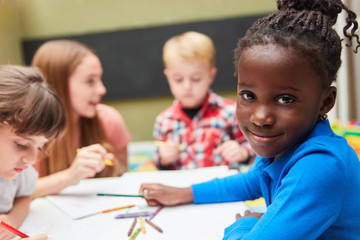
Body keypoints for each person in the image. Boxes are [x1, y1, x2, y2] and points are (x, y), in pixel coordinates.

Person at [139, 0, 360, 239]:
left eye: (285, 99)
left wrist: (246, 225)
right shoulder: (287, 145)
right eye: (248, 95)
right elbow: (251, 181)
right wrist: (183, 193)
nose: (260, 117)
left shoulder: (320, 165)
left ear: (325, 102)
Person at [31, 40, 132, 198]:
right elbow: (15, 193)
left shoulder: (110, 120)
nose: (102, 89)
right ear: (57, 85)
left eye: (99, 79)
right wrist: (71, 176)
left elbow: (123, 179)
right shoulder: (28, 135)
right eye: (90, 81)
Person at [153, 31, 253, 170]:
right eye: (178, 79)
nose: (187, 87)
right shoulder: (164, 121)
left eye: (196, 79)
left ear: (210, 76)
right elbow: (156, 160)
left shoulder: (230, 112)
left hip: (221, 188)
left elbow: (256, 149)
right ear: (167, 76)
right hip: (182, 190)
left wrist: (243, 153)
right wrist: (163, 158)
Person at [0, 65, 66, 240]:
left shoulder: (19, 170)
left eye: (39, 147)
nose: (31, 159)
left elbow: (25, 196)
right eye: (21, 144)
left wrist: (12, 220)